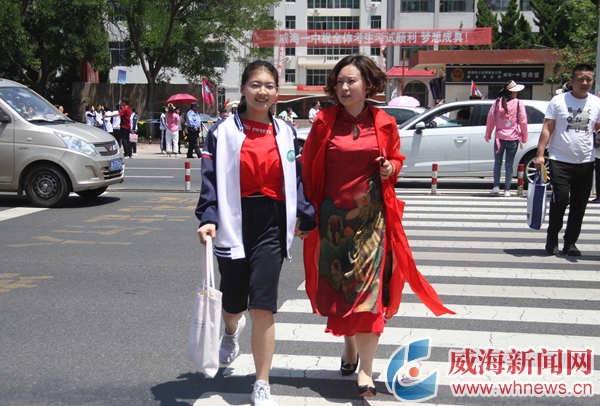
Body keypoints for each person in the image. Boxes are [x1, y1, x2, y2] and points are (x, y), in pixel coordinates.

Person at [301, 55, 454, 398]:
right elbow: (308, 167)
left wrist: (390, 168)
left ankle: (366, 372)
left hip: (372, 220)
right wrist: (305, 213)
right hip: (333, 223)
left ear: (368, 84)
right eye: (339, 81)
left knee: (368, 295)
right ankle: (350, 348)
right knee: (343, 291)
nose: (344, 87)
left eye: (351, 81)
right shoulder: (323, 121)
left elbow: (396, 158)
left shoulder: (384, 121)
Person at [195, 60, 316, 406]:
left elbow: (297, 178)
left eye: (269, 86)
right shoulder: (221, 132)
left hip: (272, 223)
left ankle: (262, 382)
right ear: (244, 89)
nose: (262, 92)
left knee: (263, 303)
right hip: (234, 219)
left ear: (277, 92)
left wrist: (304, 214)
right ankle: (230, 330)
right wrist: (208, 216)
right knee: (233, 302)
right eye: (255, 85)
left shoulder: (286, 131)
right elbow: (209, 179)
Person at [535, 64, 600, 256]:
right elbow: (547, 128)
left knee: (579, 205)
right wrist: (540, 154)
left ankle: (570, 242)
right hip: (560, 159)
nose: (585, 82)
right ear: (572, 81)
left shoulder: (596, 103)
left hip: (586, 161)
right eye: (580, 79)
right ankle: (552, 238)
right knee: (561, 200)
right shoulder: (558, 101)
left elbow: (597, 127)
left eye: (589, 79)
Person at [484, 80, 528, 197]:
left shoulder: (497, 102)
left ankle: (496, 186)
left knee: (497, 163)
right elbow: (523, 121)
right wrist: (524, 137)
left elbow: (491, 119)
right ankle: (507, 190)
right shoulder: (518, 103)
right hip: (513, 138)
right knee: (509, 164)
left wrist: (488, 134)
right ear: (513, 92)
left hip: (499, 138)